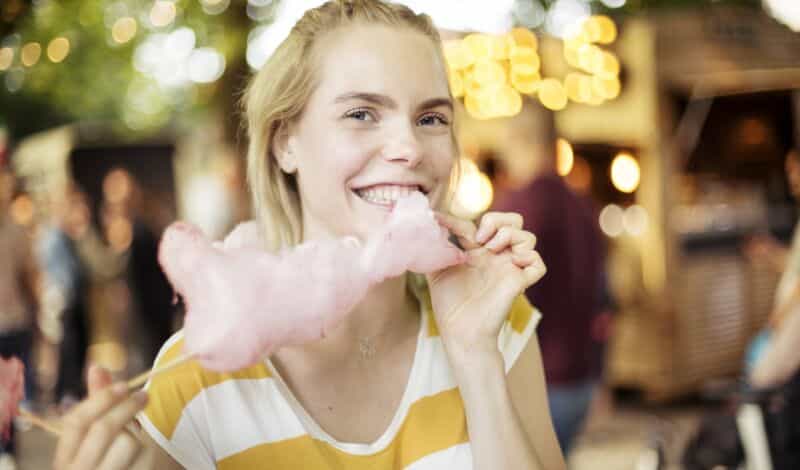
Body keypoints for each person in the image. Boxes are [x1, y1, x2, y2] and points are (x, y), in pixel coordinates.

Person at [51, 1, 564, 469]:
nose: (408, 147)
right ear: (284, 144)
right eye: (361, 114)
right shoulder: (194, 381)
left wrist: (474, 353)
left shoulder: (497, 324)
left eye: (431, 118)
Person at [494, 103, 605, 454]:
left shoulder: (516, 211)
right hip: (580, 379)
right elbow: (603, 298)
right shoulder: (583, 206)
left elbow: (502, 305)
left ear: (519, 140)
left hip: (537, 380)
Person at [0, 166, 39, 465]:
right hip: (14, 322)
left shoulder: (15, 230)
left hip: (14, 323)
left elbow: (28, 277)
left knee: (9, 394)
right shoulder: (14, 229)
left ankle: (7, 452)